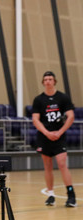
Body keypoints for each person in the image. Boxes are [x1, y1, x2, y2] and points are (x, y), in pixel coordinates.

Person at [31, 71, 77, 207]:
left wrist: (59, 132)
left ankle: (71, 195)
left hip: (59, 136)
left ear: (54, 81)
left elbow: (71, 116)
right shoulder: (39, 100)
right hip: (44, 136)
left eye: (50, 79)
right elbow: (35, 119)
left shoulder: (62, 98)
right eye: (45, 79)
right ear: (43, 82)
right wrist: (47, 133)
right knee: (48, 166)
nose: (48, 81)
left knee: (62, 164)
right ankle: (51, 195)